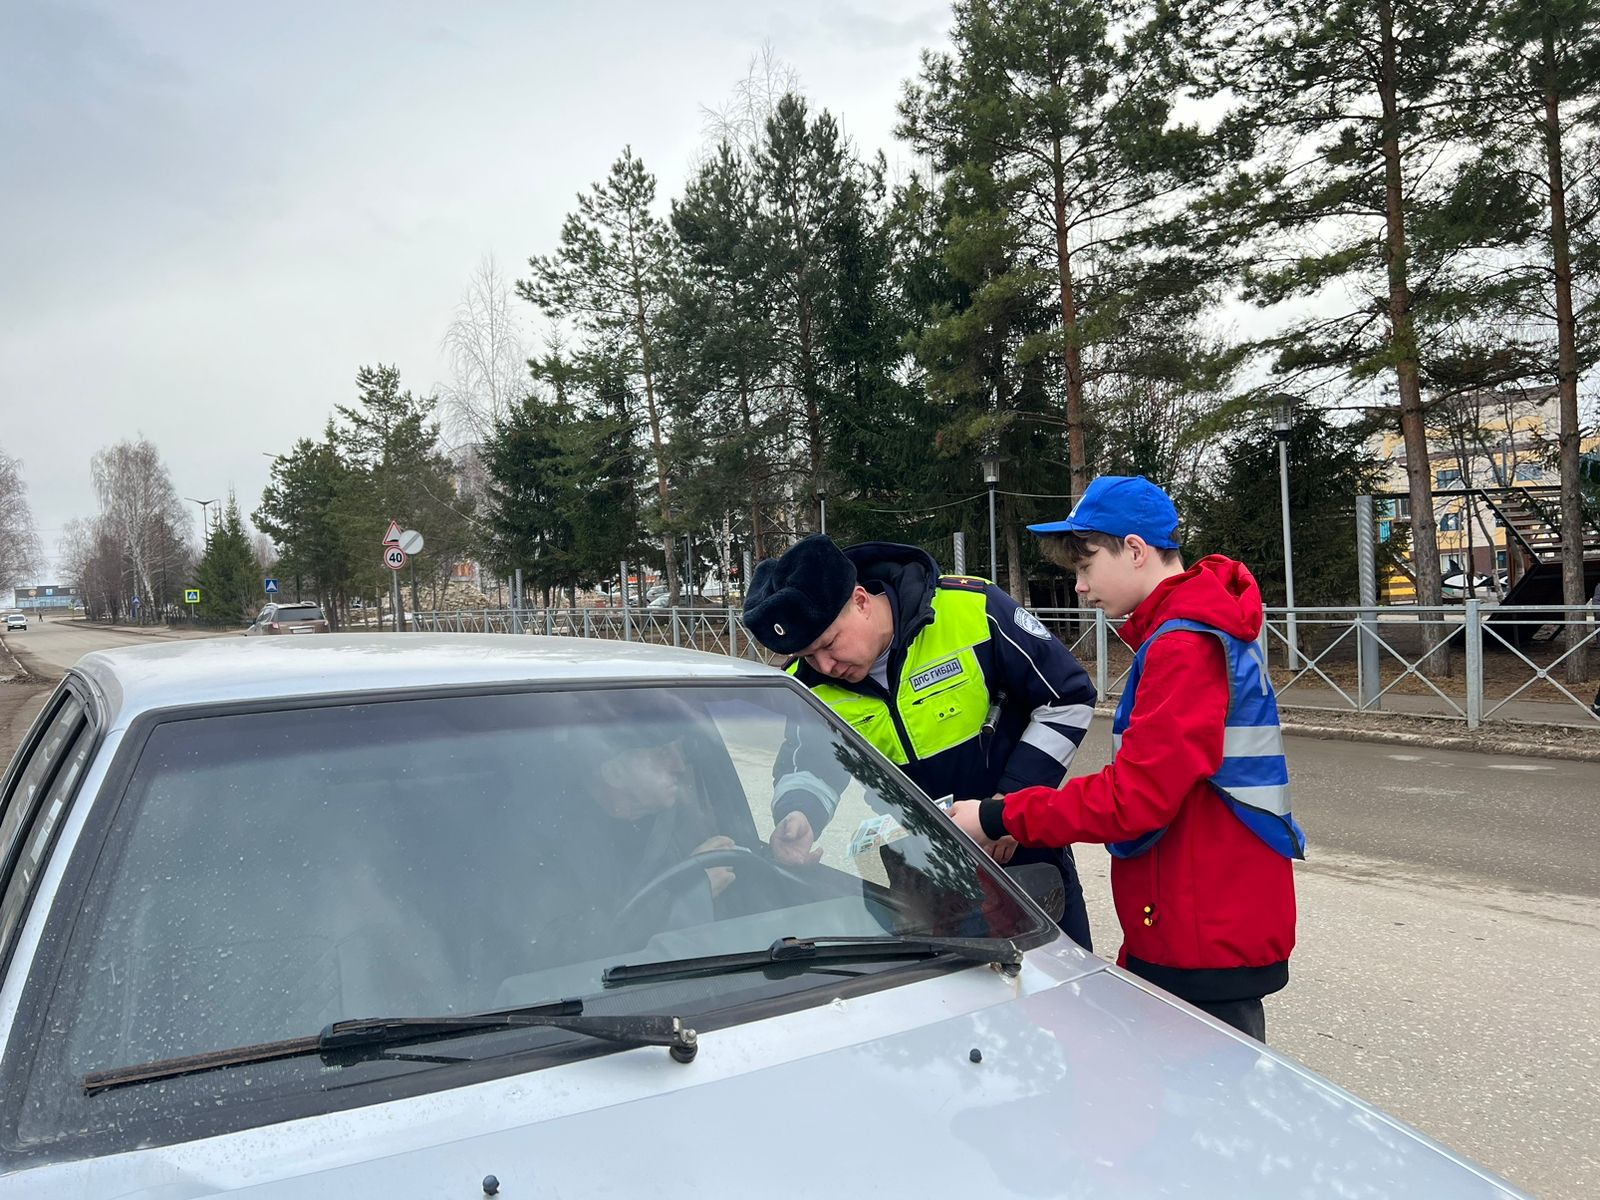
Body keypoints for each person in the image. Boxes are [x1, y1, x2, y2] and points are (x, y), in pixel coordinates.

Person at [948, 475, 1303, 1041]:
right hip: (1208, 908)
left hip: (1201, 924)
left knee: (1196, 1104)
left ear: (1134, 550)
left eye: (1087, 568)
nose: (1082, 589)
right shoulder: (1194, 631)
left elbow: (1134, 799)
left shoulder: (1184, 646)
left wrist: (999, 814)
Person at [742, 534, 1098, 950]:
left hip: (1017, 852)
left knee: (1061, 990)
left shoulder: (973, 610)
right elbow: (812, 763)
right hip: (917, 873)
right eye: (808, 655)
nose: (825, 666)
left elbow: (1068, 697)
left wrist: (1009, 805)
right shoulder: (811, 683)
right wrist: (799, 815)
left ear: (860, 600)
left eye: (829, 644)